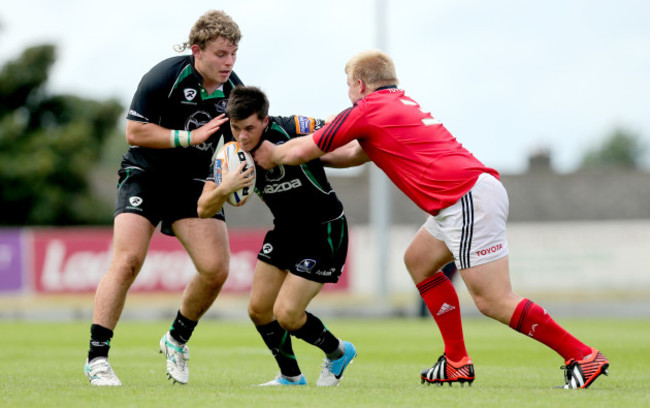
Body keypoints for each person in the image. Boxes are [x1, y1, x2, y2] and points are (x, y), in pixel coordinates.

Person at [252, 50, 610, 389]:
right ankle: (456, 360)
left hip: (464, 197)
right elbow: (357, 154)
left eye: (348, 84)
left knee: (492, 300)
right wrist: (312, 159)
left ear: (360, 83)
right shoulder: (398, 102)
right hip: (462, 196)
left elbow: (301, 148)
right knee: (419, 261)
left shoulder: (368, 108)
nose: (348, 92)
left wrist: (269, 153)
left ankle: (582, 356)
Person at [84, 10, 243, 386]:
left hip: (191, 183)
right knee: (128, 261)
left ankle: (176, 338)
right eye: (221, 54)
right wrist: (189, 137)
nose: (229, 62)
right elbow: (135, 132)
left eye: (234, 53)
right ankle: (97, 359)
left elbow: (237, 144)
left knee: (216, 268)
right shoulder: (164, 77)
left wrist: (232, 181)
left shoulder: (234, 90)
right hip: (146, 175)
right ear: (197, 50)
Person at [197, 86, 357, 387]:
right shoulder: (230, 153)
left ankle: (338, 352)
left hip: (324, 230)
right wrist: (224, 187)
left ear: (265, 120)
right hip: (285, 230)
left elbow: (342, 130)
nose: (242, 136)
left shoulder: (292, 127)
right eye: (235, 128)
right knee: (259, 310)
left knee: (287, 314)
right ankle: (291, 376)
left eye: (249, 129)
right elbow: (203, 207)